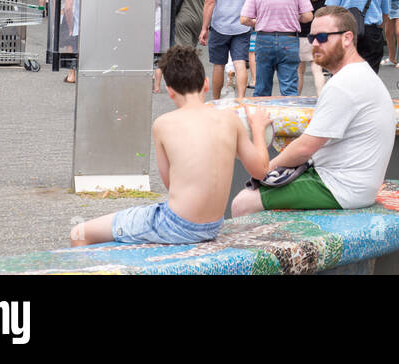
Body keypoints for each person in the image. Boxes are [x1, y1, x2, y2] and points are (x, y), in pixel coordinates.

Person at [71, 46, 272, 247]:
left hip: (175, 225)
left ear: (169, 91)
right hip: (212, 226)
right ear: (206, 84)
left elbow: (170, 184)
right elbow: (261, 170)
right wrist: (257, 128)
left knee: (79, 232)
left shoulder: (163, 124)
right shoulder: (230, 120)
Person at [231, 6, 395, 216]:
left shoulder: (344, 84)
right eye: (312, 38)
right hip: (354, 184)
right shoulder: (360, 73)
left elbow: (304, 148)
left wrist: (266, 169)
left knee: (243, 203)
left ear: (347, 38)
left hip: (341, 188)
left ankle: (262, 250)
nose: (315, 44)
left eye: (323, 37)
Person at [240, 0, 314, 97]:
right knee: (289, 89)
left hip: (264, 40)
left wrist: (257, 22)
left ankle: (260, 117)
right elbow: (308, 16)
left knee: (262, 88)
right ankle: (290, 117)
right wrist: (294, 18)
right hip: (289, 40)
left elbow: (244, 19)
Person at [199, 0, 258, 99]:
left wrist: (204, 28)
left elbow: (210, 1)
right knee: (240, 63)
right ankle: (240, 99)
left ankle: (217, 100)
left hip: (220, 25)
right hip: (242, 25)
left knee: (218, 65)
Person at [296, 0, 327, 95]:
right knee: (317, 69)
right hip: (317, 35)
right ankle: (321, 96)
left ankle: (296, 99)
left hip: (299, 35)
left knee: (299, 71)